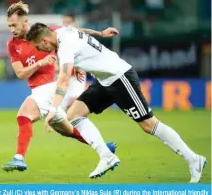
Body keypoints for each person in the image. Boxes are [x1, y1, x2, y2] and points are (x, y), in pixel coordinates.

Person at [26, 23, 207, 182]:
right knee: (74, 114)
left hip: (120, 77)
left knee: (148, 124)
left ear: (44, 40)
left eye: (38, 47)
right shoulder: (63, 31)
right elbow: (80, 30)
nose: (40, 51)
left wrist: (53, 108)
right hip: (105, 81)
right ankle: (107, 156)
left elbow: (64, 78)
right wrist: (100, 33)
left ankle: (194, 159)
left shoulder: (64, 47)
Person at [2, 1, 118, 173]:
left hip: (49, 87)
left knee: (23, 116)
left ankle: (19, 158)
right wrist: (39, 63)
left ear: (25, 22)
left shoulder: (44, 33)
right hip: (40, 90)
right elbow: (20, 74)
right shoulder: (12, 45)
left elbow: (75, 33)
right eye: (9, 26)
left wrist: (100, 33)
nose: (12, 29)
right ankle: (104, 148)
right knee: (66, 130)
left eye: (15, 25)